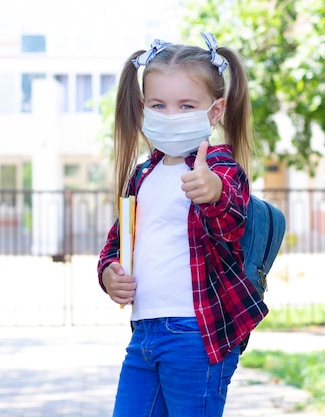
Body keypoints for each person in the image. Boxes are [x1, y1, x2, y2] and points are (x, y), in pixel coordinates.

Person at [97, 32, 268, 417]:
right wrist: (109, 273)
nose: (171, 115)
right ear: (144, 107)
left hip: (196, 335)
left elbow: (232, 223)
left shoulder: (220, 169)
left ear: (215, 110)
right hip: (145, 334)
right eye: (159, 104)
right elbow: (117, 245)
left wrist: (214, 192)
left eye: (186, 105)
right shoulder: (142, 176)